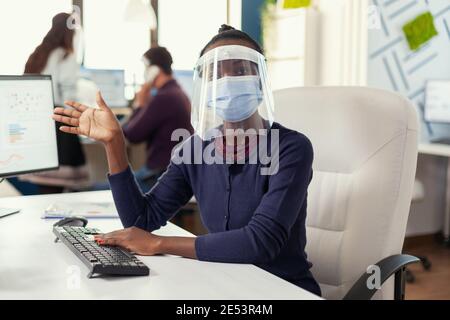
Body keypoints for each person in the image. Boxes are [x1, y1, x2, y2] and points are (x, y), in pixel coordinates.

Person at [52, 25, 321, 295]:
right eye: (216, 74)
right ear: (205, 86)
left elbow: (261, 242)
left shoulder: (292, 148)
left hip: (285, 290)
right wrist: (114, 144)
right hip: (227, 285)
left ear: (261, 80)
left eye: (239, 70)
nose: (226, 81)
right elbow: (141, 220)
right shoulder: (194, 149)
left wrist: (159, 244)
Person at [16, 12, 89, 194]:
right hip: (59, 121)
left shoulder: (38, 54)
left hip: (37, 121)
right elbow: (68, 94)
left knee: (46, 183)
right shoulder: (65, 55)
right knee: (63, 184)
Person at [121, 47, 193, 191]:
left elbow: (132, 135)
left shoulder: (164, 97)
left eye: (145, 68)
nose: (144, 73)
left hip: (159, 175)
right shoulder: (177, 92)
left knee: (101, 188)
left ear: (154, 70)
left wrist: (139, 104)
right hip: (170, 171)